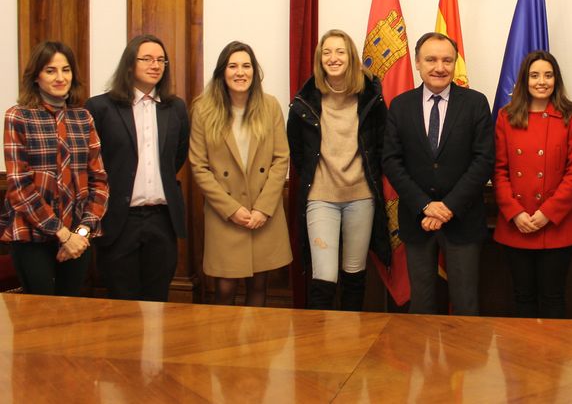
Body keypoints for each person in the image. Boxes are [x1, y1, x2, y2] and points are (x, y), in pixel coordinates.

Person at [382, 32, 494, 316]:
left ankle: (463, 361)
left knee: (466, 303)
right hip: (417, 219)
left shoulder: (475, 103)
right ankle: (423, 361)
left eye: (447, 60)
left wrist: (448, 207)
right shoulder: (400, 105)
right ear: (417, 63)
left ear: (455, 63)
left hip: (463, 220)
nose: (439, 67)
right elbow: (392, 161)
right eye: (431, 59)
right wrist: (425, 205)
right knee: (421, 303)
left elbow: (483, 161)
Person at [287, 29, 391, 310]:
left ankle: (351, 345)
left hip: (361, 197)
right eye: (327, 52)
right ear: (320, 60)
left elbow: (382, 147)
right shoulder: (304, 101)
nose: (333, 58)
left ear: (351, 57)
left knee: (354, 274)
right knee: (324, 277)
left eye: (340, 51)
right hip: (321, 197)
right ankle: (319, 347)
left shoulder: (371, 97)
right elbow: (298, 153)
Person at [86, 34, 190, 302]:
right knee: (122, 303)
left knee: (157, 301)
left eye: (161, 60)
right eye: (147, 59)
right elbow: (91, 164)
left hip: (161, 219)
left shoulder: (175, 108)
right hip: (119, 220)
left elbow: (177, 156)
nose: (155, 65)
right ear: (130, 64)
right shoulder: (101, 107)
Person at [0, 41, 109, 295]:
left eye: (66, 70)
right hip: (31, 236)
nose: (60, 77)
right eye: (51, 71)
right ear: (36, 76)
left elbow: (99, 181)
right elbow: (19, 187)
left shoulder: (83, 118)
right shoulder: (18, 116)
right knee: (38, 320)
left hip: (78, 236)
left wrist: (81, 232)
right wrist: (62, 234)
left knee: (71, 318)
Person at [189, 41, 292, 306]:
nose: (240, 72)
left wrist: (264, 208)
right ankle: (225, 347)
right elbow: (199, 166)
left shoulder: (270, 107)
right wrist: (231, 209)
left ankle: (256, 347)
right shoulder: (203, 109)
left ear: (254, 72)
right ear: (222, 72)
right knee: (224, 289)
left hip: (262, 213)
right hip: (226, 214)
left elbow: (281, 159)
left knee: (260, 285)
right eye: (233, 66)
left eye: (246, 66)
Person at [493, 51, 572, 318]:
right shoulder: (506, 116)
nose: (542, 81)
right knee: (522, 298)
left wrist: (548, 213)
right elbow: (499, 171)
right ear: (525, 80)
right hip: (517, 224)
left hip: (557, 225)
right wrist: (515, 213)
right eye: (534, 75)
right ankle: (524, 360)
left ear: (556, 80)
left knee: (553, 298)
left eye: (548, 75)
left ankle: (553, 360)